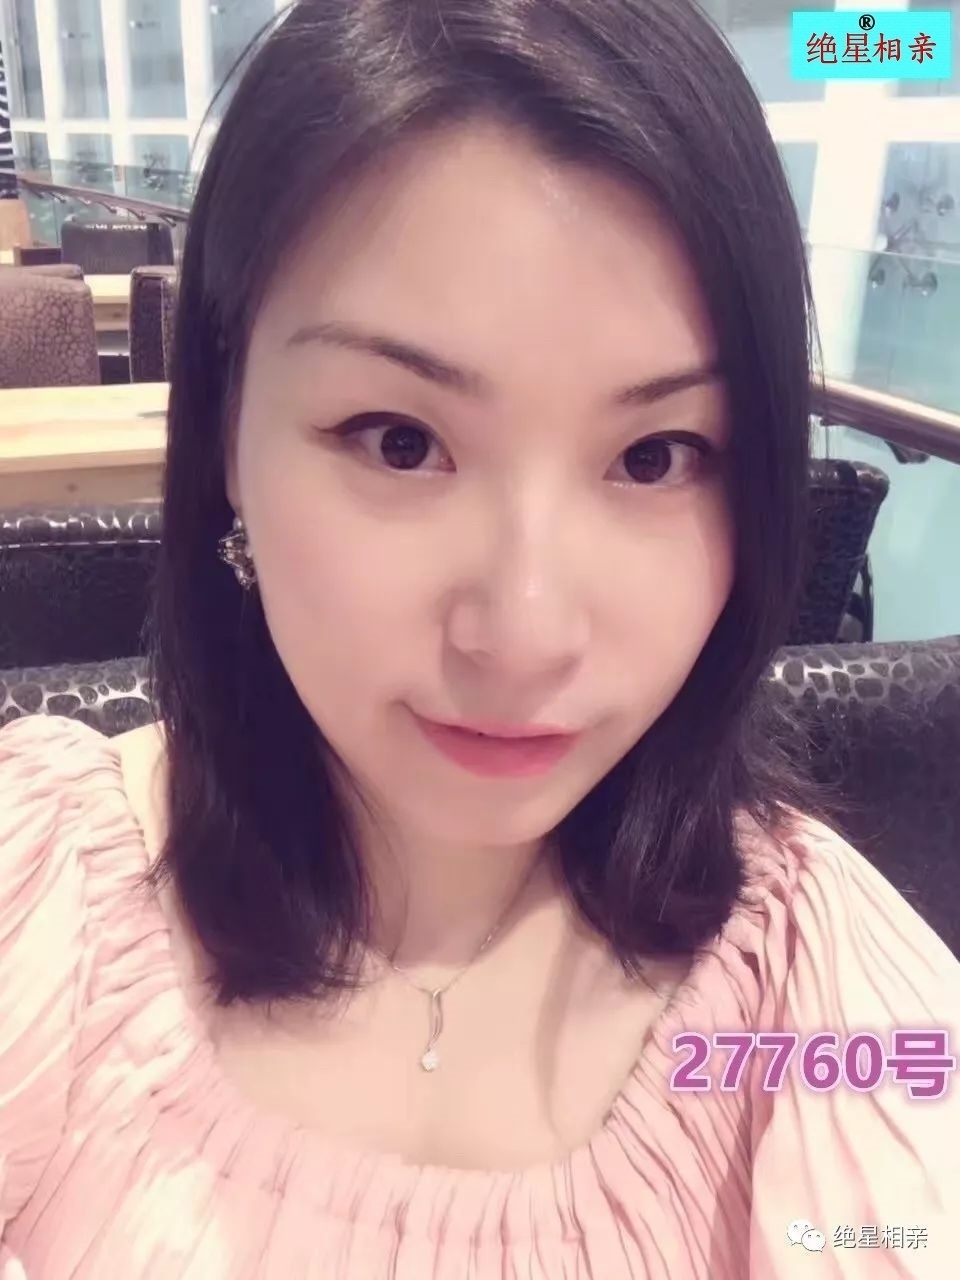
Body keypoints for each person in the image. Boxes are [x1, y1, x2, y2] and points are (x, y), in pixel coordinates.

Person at [1, 0, 957, 1276]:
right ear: (225, 429)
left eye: (654, 457)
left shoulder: (819, 987)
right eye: (401, 441)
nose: (524, 631)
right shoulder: (39, 901)